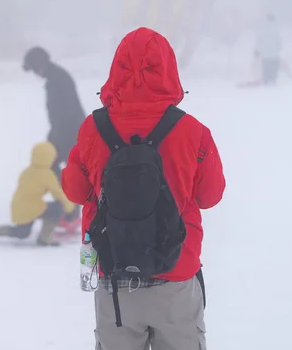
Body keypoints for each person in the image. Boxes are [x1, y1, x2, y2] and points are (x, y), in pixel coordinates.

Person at [62, 28, 225, 350]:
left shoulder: (93, 128)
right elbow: (210, 196)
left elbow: (76, 191)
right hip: (175, 270)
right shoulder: (193, 130)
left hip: (113, 271)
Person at [22, 46, 85, 230]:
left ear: (39, 64)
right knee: (54, 167)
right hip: (63, 132)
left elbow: (68, 111)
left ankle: (71, 212)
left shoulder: (59, 80)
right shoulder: (55, 78)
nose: (35, 73)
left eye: (34, 68)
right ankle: (69, 209)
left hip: (70, 133)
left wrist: (57, 138)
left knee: (65, 169)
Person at [0, 141, 75, 246]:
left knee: (22, 233)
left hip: (18, 206)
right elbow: (58, 194)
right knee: (57, 208)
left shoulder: (27, 171)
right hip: (32, 207)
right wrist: (69, 208)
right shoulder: (47, 175)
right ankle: (45, 238)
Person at [255, 13, 282, 85]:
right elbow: (279, 42)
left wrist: (257, 50)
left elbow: (259, 41)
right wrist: (278, 49)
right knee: (273, 70)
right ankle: (273, 81)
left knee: (266, 70)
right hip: (275, 55)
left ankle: (266, 81)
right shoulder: (277, 29)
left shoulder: (263, 29)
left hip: (265, 55)